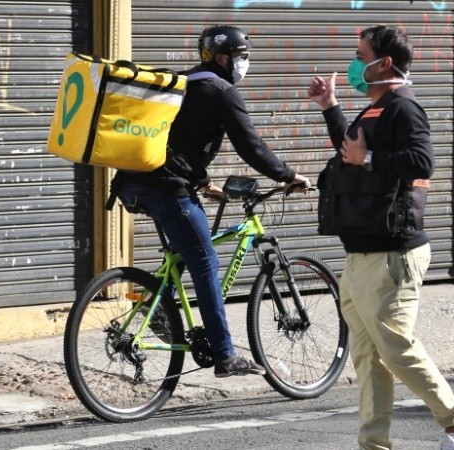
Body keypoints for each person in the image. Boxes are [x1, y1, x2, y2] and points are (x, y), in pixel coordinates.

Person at [307, 25, 454, 450]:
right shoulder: (376, 108)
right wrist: (331, 107)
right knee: (368, 359)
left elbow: (422, 161)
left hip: (392, 254)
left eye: (360, 53)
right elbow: (352, 151)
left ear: (383, 63)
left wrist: (370, 159)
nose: (354, 62)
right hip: (362, 254)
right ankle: (374, 445)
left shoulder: (405, 108)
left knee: (396, 349)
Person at [112, 25, 310, 377]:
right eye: (241, 56)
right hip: (165, 188)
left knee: (186, 250)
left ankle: (157, 305)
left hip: (132, 183)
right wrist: (287, 175)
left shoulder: (184, 82)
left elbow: (171, 145)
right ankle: (225, 355)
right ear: (222, 57)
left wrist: (203, 182)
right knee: (205, 261)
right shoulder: (222, 92)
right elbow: (252, 147)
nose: (244, 63)